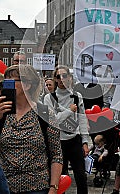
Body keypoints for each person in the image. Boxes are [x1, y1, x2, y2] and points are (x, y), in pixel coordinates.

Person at [0, 65, 63, 193]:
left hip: (37, 186)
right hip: (4, 186)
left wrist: (53, 188)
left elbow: (56, 155)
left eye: (10, 81)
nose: (6, 86)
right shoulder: (2, 112)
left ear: (27, 85)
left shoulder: (45, 113)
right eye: (5, 82)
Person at [44, 65, 89, 194]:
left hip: (74, 140)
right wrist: (69, 111)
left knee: (81, 176)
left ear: (69, 78)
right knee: (59, 177)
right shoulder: (49, 98)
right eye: (59, 76)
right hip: (58, 142)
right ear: (55, 79)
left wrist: (85, 141)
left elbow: (82, 119)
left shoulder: (77, 96)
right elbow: (54, 121)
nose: (62, 79)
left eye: (65, 76)